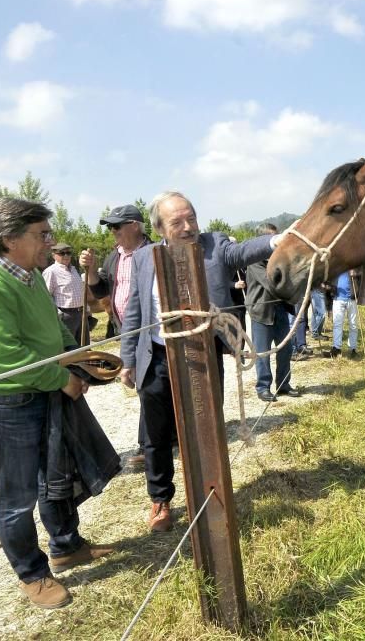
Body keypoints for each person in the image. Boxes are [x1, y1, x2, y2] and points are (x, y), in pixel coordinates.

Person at [0, 199, 113, 609]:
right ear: (8, 240)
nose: (51, 242)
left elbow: (54, 328)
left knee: (54, 474)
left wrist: (80, 361)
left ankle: (65, 545)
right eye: (42, 235)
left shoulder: (29, 275)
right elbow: (4, 358)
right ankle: (32, 573)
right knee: (18, 494)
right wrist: (63, 380)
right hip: (5, 402)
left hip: (39, 389)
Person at [120, 191, 281, 532]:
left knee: (206, 427)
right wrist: (128, 358)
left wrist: (275, 240)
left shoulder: (213, 245)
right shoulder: (144, 257)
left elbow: (240, 251)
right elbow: (135, 310)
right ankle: (160, 500)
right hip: (158, 357)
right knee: (157, 435)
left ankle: (211, 492)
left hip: (201, 356)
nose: (188, 227)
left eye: (191, 217)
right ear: (160, 228)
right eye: (177, 222)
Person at [81, 205, 151, 468]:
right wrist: (90, 270)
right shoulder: (115, 257)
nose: (112, 232)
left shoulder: (154, 252)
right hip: (126, 329)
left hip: (150, 330)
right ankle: (160, 439)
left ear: (134, 225)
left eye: (116, 226)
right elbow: (101, 291)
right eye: (110, 227)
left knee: (147, 386)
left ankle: (148, 446)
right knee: (146, 386)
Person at [246, 224, 303, 401]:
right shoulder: (254, 261)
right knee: (262, 353)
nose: (277, 241)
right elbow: (271, 283)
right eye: (272, 238)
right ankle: (263, 387)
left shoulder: (280, 260)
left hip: (280, 309)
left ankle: (283, 384)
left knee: (285, 349)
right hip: (261, 312)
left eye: (277, 236)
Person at [42, 242, 92, 345]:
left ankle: (83, 362)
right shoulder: (51, 272)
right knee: (69, 349)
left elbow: (79, 290)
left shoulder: (73, 269)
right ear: (54, 255)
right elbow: (45, 296)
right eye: (62, 253)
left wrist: (86, 308)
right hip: (66, 316)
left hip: (81, 314)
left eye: (68, 253)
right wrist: (59, 314)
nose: (66, 256)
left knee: (84, 348)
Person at [328, 270, 359, 358]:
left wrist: (356, 274)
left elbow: (362, 271)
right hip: (338, 299)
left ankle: (352, 348)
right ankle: (336, 348)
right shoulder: (337, 265)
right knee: (337, 324)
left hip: (352, 299)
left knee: (353, 325)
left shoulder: (353, 263)